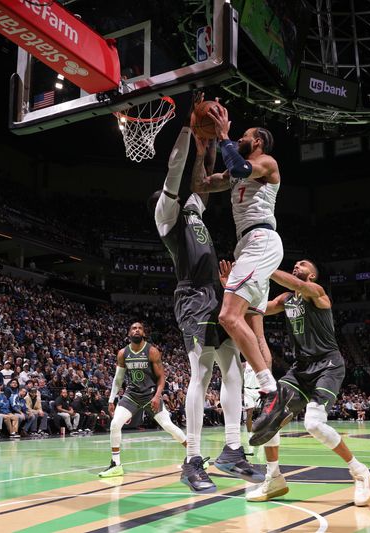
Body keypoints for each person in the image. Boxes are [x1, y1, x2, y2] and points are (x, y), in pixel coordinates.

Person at [148, 101, 258, 493]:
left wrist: (207, 147)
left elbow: (200, 178)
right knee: (203, 372)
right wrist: (189, 133)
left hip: (215, 294)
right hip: (192, 297)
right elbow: (176, 171)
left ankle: (233, 449)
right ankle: (192, 458)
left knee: (234, 371)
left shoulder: (194, 209)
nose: (187, 196)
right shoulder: (167, 215)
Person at [244, 260, 370, 505]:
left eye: (302, 264)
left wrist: (264, 267)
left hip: (328, 364)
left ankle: (360, 472)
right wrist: (233, 287)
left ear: (312, 275)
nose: (296, 265)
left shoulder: (318, 293)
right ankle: (274, 478)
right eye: (294, 264)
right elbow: (254, 309)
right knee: (270, 415)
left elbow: (294, 283)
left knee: (313, 424)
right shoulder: (285, 299)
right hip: (301, 368)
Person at [194, 103, 283, 436]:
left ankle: (270, 391)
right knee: (240, 321)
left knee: (227, 316)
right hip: (248, 244)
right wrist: (204, 149)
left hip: (262, 238)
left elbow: (242, 169)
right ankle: (267, 395)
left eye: (245, 135)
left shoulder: (266, 163)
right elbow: (202, 183)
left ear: (258, 141)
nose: (240, 138)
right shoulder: (237, 168)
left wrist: (223, 135)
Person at [98, 322, 188, 478]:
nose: (137, 330)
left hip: (150, 395)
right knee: (114, 424)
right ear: (129, 333)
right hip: (131, 395)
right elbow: (118, 380)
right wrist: (111, 400)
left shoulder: (152, 351)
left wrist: (157, 396)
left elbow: (161, 378)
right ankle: (116, 464)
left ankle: (194, 456)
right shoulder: (123, 353)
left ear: (144, 333)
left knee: (168, 426)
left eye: (140, 328)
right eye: (133, 328)